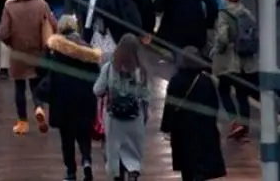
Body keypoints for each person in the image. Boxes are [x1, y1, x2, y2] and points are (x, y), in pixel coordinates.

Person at [38, 15, 102, 181]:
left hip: (62, 98)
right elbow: (96, 73)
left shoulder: (54, 48)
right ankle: (86, 161)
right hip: (84, 98)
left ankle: (71, 171)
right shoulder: (86, 49)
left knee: (66, 137)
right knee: (84, 134)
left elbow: (42, 69)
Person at [0, 0, 57, 135]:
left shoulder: (9, 6)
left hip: (18, 54)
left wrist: (12, 43)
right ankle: (39, 108)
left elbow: (3, 33)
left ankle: (22, 122)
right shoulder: (41, 4)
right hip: (38, 52)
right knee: (36, 84)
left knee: (19, 87)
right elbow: (53, 25)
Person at [160, 46, 226, 181]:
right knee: (201, 164)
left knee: (186, 166)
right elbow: (214, 106)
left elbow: (170, 106)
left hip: (182, 131)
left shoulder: (176, 80)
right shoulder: (206, 80)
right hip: (203, 130)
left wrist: (166, 127)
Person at [93, 33, 150, 181]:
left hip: (114, 118)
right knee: (133, 151)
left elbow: (97, 90)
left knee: (115, 151)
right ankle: (133, 172)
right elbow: (145, 96)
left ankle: (117, 175)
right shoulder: (141, 71)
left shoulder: (109, 68)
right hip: (134, 118)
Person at [211, 0, 259, 141]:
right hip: (246, 62)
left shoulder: (224, 14)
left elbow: (223, 38)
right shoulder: (246, 12)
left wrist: (216, 49)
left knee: (223, 90)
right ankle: (244, 129)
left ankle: (234, 121)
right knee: (242, 95)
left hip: (230, 62)